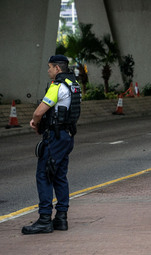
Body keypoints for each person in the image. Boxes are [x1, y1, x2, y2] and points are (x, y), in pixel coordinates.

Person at [22, 55, 81, 235]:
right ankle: (61, 218)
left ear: (57, 68)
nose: (48, 70)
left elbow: (39, 112)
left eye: (49, 67)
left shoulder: (57, 86)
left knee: (44, 175)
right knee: (59, 176)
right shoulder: (74, 85)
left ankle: (45, 219)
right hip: (67, 136)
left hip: (55, 137)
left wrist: (35, 123)